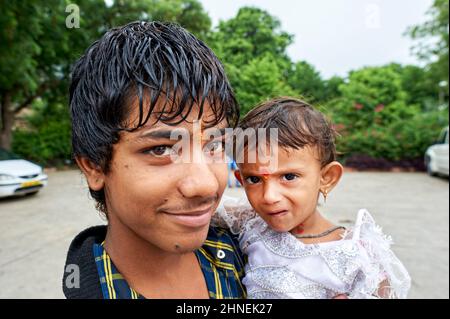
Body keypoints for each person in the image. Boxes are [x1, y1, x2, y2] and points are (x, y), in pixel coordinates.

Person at [62, 21, 247, 299]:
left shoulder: (253, 255)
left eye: (215, 145)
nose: (207, 185)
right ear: (94, 166)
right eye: (161, 149)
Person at [212, 97, 411, 299]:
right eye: (253, 179)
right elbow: (200, 208)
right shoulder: (250, 224)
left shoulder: (359, 255)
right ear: (240, 179)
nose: (269, 197)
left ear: (327, 178)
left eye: (289, 177)